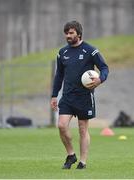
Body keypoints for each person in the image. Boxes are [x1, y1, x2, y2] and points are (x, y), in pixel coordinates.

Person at [51, 20, 109, 169]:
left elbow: (104, 67)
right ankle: (71, 155)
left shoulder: (90, 50)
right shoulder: (62, 52)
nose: (68, 36)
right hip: (67, 96)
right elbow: (59, 76)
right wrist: (53, 95)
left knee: (83, 129)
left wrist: (100, 79)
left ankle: (82, 162)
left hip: (84, 97)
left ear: (79, 33)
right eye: (66, 33)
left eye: (71, 33)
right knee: (61, 126)